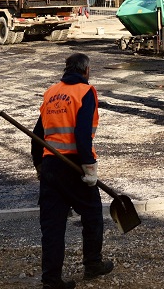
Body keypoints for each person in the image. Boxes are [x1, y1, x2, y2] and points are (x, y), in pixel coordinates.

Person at [32, 53, 114, 289]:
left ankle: (51, 280)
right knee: (92, 214)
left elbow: (38, 134)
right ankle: (92, 264)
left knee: (52, 226)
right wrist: (90, 169)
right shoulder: (85, 92)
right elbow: (81, 135)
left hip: (50, 166)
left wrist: (39, 164)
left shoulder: (51, 92)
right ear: (86, 70)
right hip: (74, 166)